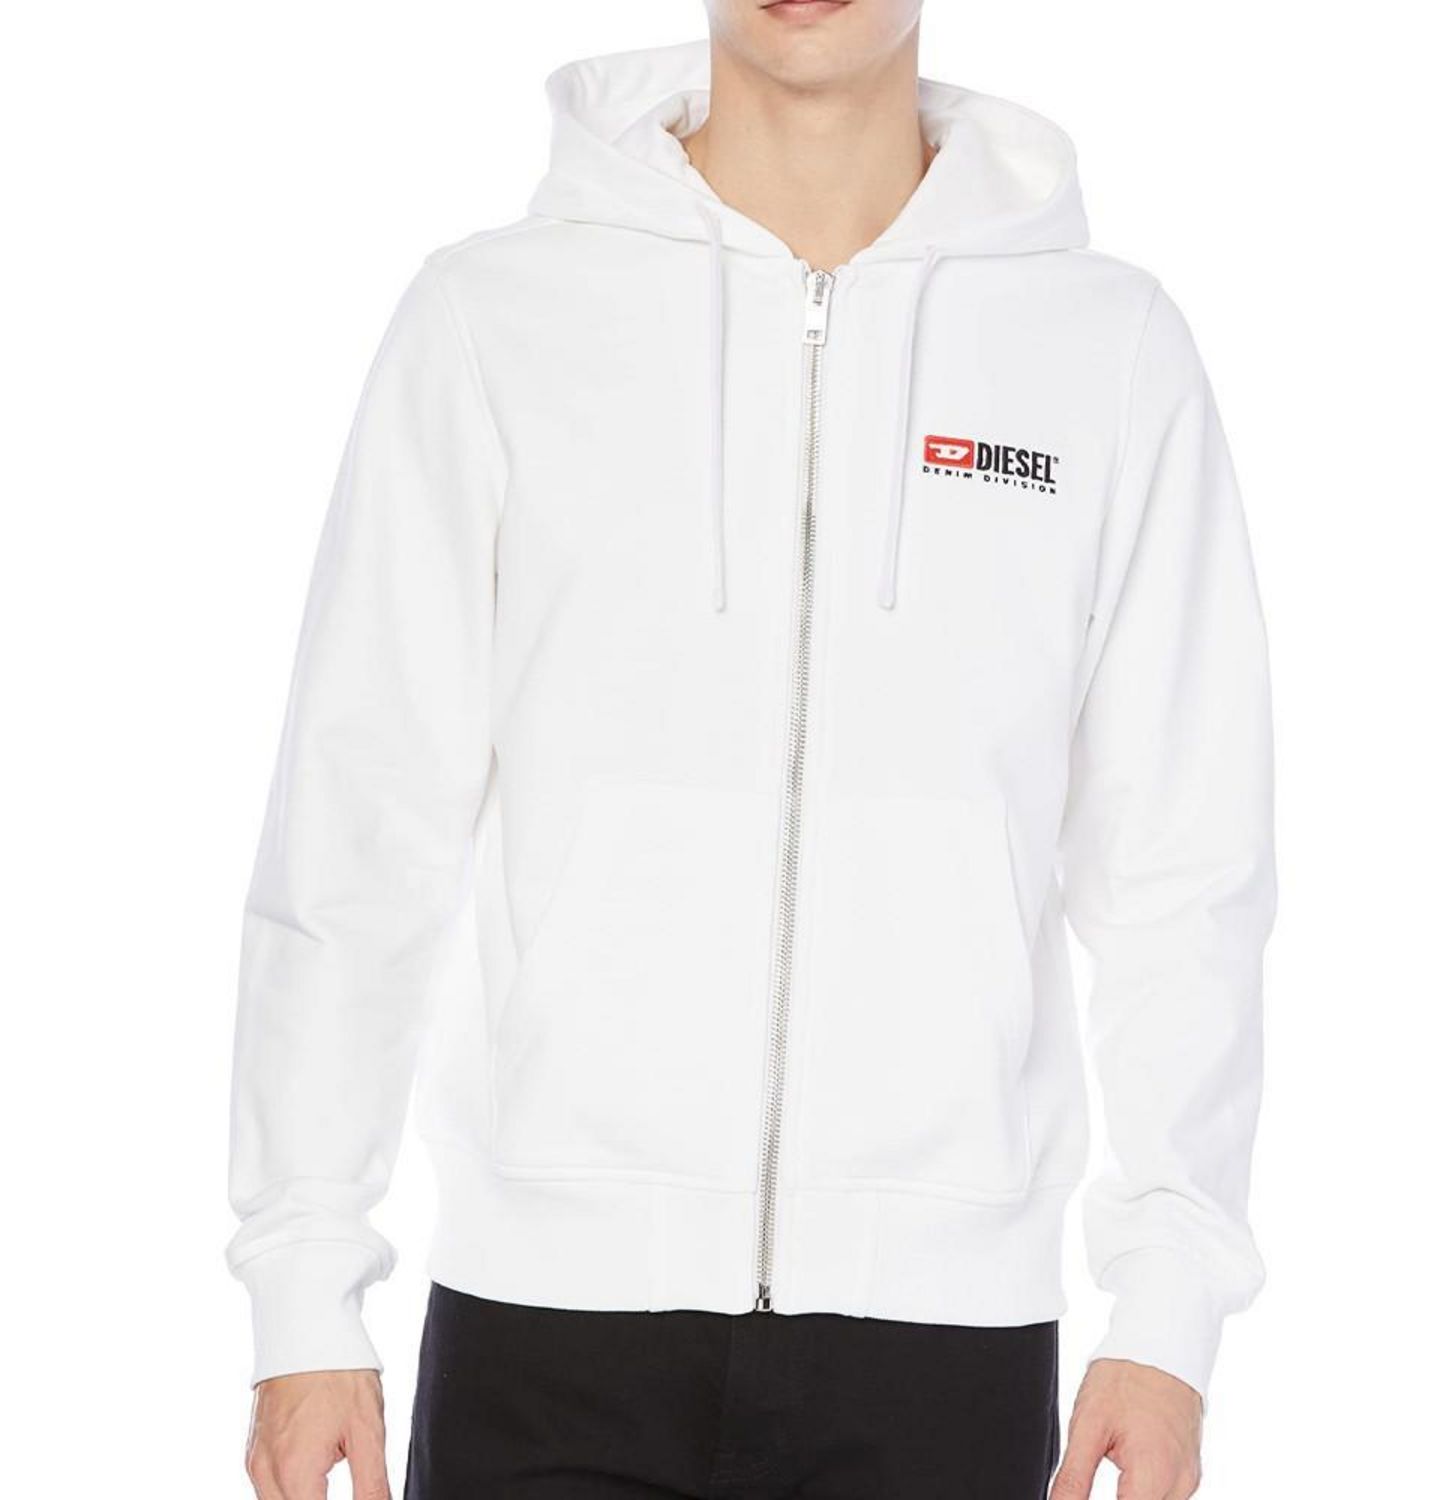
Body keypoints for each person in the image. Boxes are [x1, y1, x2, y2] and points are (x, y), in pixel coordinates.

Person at [230, 3, 1274, 1497]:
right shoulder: (493, 319)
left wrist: (1169, 1306)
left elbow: (1185, 868)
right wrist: (302, 1279)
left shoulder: (1105, 353)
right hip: (547, 1328)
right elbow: (358, 823)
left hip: (943, 1342)